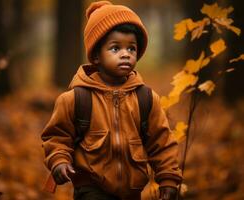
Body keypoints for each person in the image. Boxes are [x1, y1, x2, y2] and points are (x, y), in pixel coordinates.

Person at [41, 1, 182, 200]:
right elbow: (57, 136)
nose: (125, 54)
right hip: (90, 187)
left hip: (133, 191)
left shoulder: (146, 99)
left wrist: (168, 178)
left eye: (131, 49)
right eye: (115, 49)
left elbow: (162, 142)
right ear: (96, 56)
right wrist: (59, 160)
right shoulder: (76, 99)